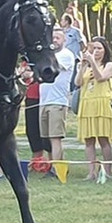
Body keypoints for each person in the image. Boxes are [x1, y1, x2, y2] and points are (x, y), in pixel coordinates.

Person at [75, 37, 112, 181]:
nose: (96, 51)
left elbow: (100, 78)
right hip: (87, 102)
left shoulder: (109, 65)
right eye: (94, 48)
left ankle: (108, 170)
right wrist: (82, 66)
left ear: (105, 50)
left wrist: (93, 62)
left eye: (99, 48)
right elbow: (78, 82)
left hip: (102, 102)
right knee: (89, 140)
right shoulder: (86, 65)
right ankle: (91, 171)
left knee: (104, 139)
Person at [39, 28, 75, 172]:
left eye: (58, 38)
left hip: (58, 101)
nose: (54, 40)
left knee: (55, 138)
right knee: (46, 138)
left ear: (64, 40)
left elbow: (50, 68)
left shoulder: (66, 55)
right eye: (52, 37)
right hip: (44, 101)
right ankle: (53, 166)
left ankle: (57, 169)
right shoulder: (46, 54)